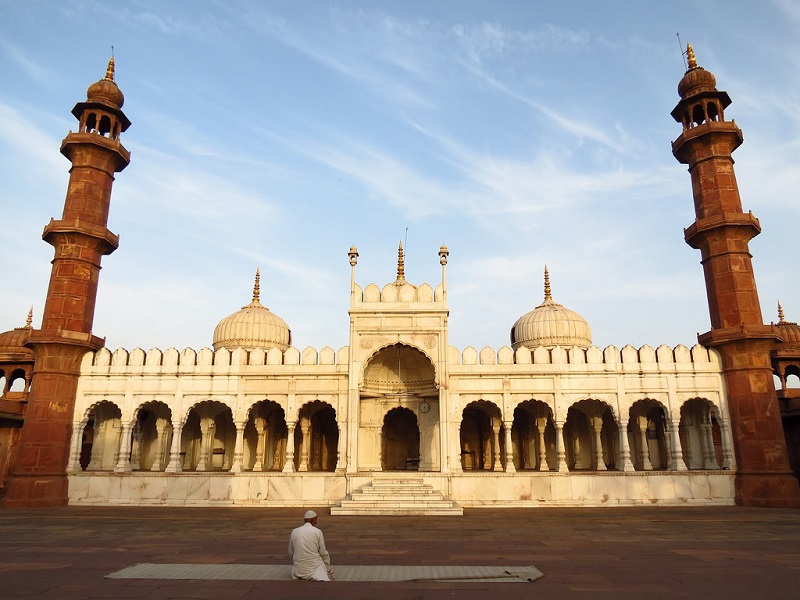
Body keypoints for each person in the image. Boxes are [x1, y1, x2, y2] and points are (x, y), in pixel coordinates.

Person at [288, 510, 334, 581]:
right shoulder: (317, 532)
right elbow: (323, 552)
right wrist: (326, 564)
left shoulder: (294, 531)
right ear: (313, 520)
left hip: (298, 570)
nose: (316, 522)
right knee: (323, 569)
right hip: (313, 567)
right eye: (316, 520)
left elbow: (290, 552)